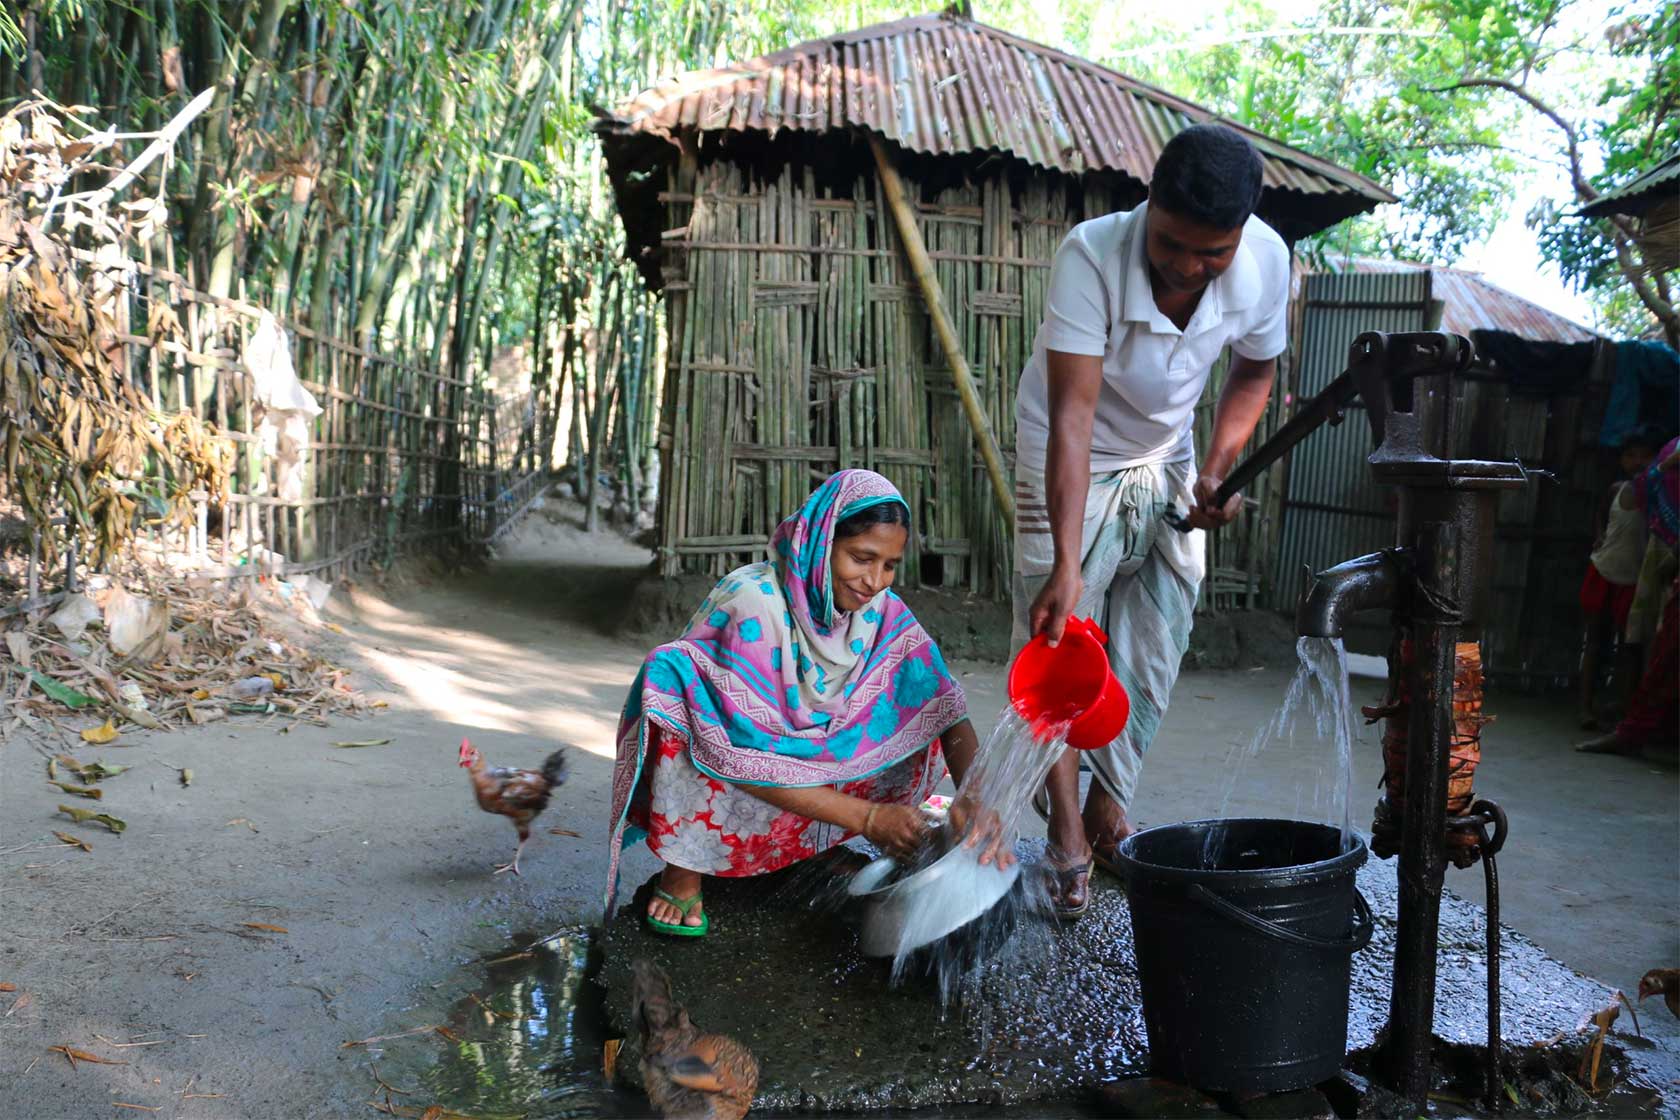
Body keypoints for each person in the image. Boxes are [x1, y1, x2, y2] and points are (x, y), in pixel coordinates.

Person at [1011, 123, 1289, 917]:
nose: (1188, 266)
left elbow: (1256, 368)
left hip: (1170, 449)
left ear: (1240, 235)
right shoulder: (1092, 256)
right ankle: (1064, 825)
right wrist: (1067, 562)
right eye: (1173, 244)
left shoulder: (1266, 259)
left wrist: (1217, 467)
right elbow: (1073, 415)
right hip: (1074, 445)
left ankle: (1109, 799)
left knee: (1157, 639)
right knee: (1059, 640)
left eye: (1213, 253)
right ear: (1150, 204)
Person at [605, 469, 984, 936]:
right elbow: (739, 755)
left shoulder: (879, 613)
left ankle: (809, 844)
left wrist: (977, 798)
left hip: (801, 766)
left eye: (889, 565)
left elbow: (948, 709)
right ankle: (685, 868)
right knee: (686, 716)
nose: (874, 581)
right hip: (738, 761)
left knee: (917, 719)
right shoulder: (753, 602)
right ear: (821, 542)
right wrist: (869, 818)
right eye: (862, 558)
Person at [1578, 436, 1679, 757]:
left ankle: (1635, 725)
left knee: (1653, 651)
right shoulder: (1637, 485)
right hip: (1624, 570)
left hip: (1655, 566)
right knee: (1654, 649)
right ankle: (1628, 724)